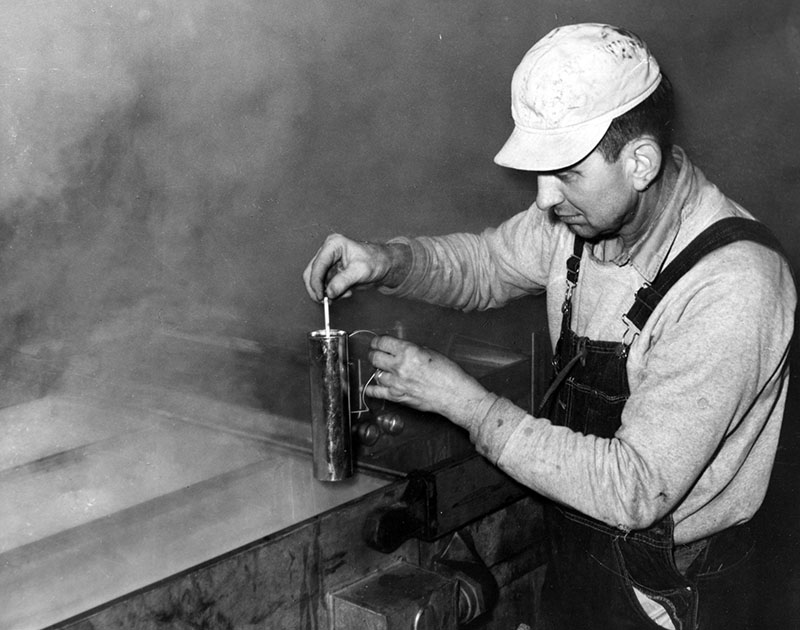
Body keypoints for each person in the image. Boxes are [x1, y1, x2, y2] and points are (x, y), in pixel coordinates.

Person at [303, 23, 795, 630]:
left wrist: (469, 406)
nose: (542, 199)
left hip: (675, 596)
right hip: (583, 564)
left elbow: (634, 487)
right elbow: (484, 264)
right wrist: (387, 261)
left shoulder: (733, 283)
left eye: (565, 172)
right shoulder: (585, 219)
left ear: (640, 162)